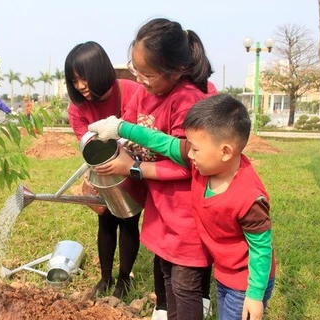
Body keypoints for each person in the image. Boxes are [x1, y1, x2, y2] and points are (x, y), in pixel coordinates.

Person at [88, 94, 277, 320]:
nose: (188, 154)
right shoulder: (204, 161)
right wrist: (119, 127)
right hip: (225, 272)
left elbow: (261, 249)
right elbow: (162, 142)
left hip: (248, 279)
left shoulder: (249, 199)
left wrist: (255, 296)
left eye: (195, 149)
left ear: (225, 152)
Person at [90, 18, 216, 320]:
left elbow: (189, 165)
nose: (141, 80)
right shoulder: (144, 93)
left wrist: (134, 168)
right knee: (165, 273)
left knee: (185, 286)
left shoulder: (187, 102)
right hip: (160, 206)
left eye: (148, 75)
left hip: (186, 214)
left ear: (176, 70)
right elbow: (128, 128)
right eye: (137, 72)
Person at [65, 41, 147, 299]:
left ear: (101, 70)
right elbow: (88, 148)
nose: (80, 87)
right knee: (105, 219)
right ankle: (105, 278)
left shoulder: (133, 91)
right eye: (74, 81)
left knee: (129, 219)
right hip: (102, 169)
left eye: (84, 79)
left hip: (132, 167)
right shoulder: (77, 108)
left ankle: (124, 279)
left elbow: (145, 134)